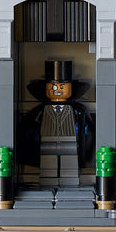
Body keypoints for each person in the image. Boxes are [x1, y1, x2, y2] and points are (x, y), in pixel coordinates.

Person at [17, 59, 94, 187]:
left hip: (69, 139)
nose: (57, 89)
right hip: (47, 139)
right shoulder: (42, 109)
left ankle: (70, 181)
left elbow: (87, 127)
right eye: (53, 87)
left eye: (62, 87)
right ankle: (48, 182)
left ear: (70, 88)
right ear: (46, 88)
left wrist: (82, 133)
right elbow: (28, 124)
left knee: (69, 161)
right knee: (48, 161)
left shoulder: (77, 110)